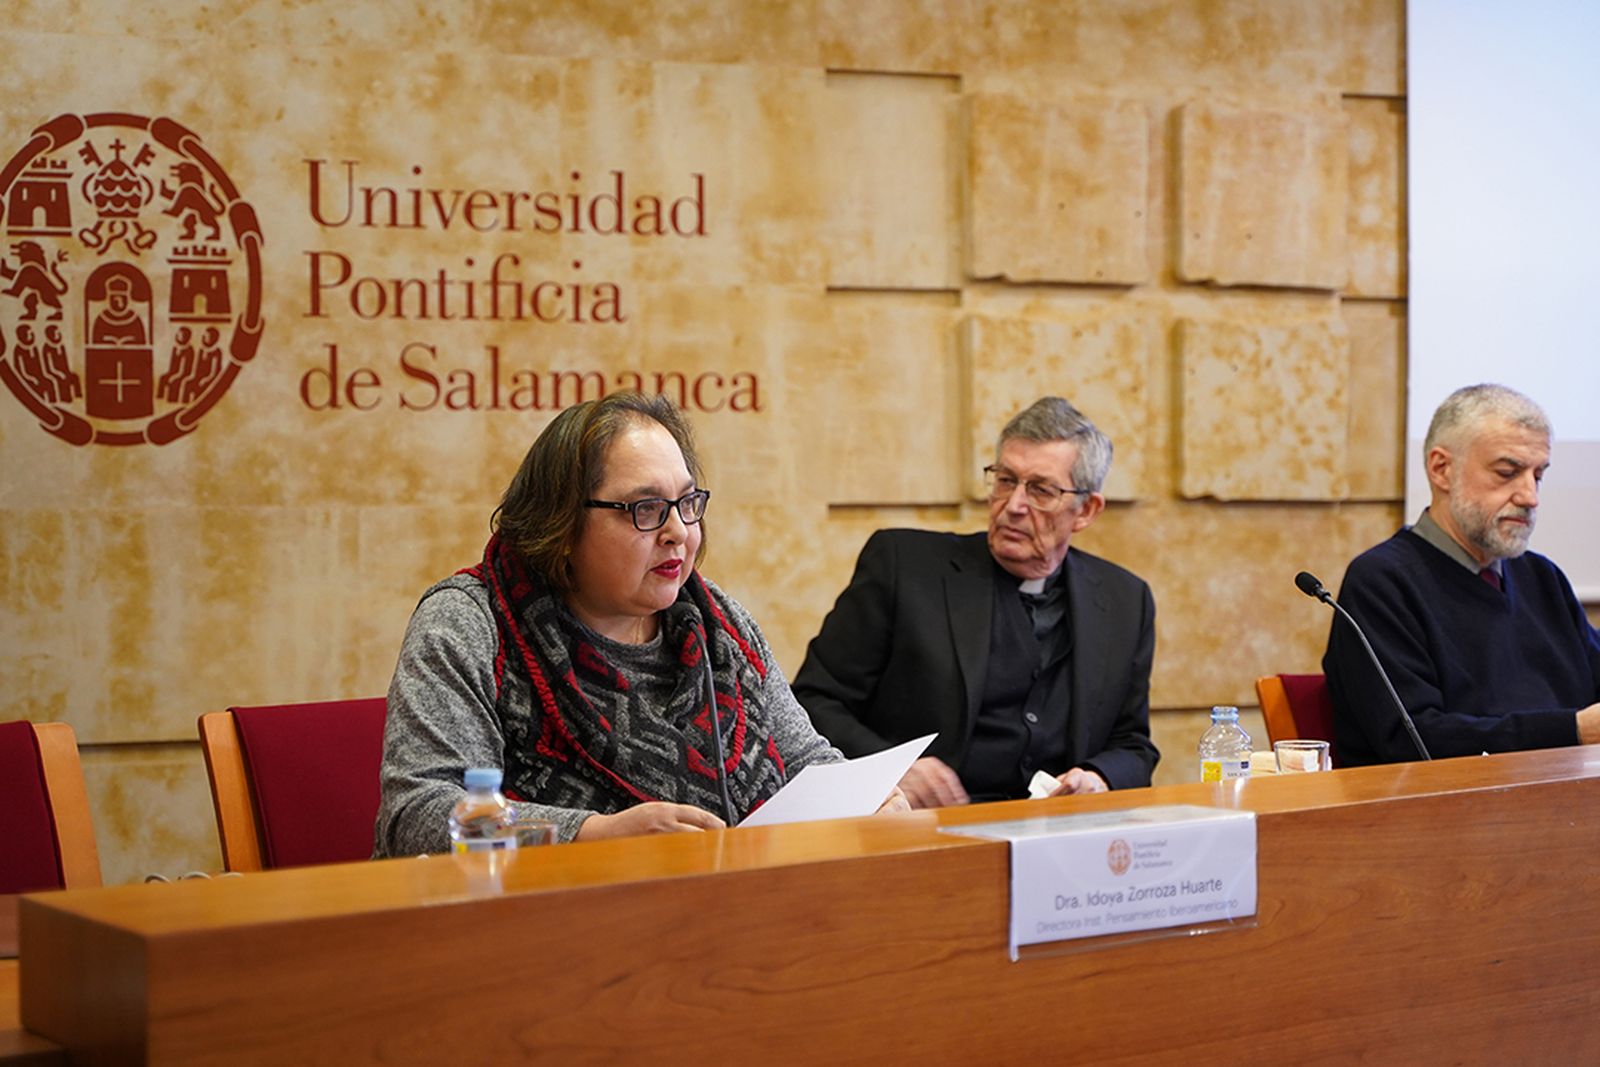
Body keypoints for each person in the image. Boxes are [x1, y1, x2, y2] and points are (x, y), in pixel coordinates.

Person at [375, 393, 888, 856]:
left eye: (687, 503)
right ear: (561, 522)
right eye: (645, 508)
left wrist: (865, 798)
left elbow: (805, 759)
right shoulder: (470, 623)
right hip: (539, 931)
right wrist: (592, 834)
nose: (678, 533)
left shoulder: (719, 625)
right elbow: (419, 816)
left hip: (735, 918)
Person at [793, 396, 1159, 808]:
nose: (1014, 506)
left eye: (1040, 490)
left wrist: (1099, 778)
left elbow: (1132, 745)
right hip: (923, 831)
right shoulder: (903, 567)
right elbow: (812, 703)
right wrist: (894, 768)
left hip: (1058, 835)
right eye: (1005, 480)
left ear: (1086, 510)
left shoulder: (1125, 599)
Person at [1324, 383, 1600, 765]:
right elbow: (1415, 738)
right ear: (1441, 469)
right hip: (1436, 813)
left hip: (1561, 804)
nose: (1530, 496)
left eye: (1538, 475)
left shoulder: (1542, 577)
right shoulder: (1382, 582)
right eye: (1508, 472)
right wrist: (1573, 731)